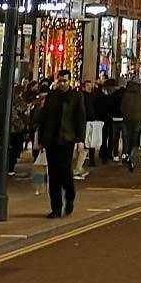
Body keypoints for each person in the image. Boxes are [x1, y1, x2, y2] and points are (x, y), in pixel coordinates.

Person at [37, 70, 86, 218]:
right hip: (51, 139)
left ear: (70, 81)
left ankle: (70, 195)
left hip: (67, 138)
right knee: (53, 174)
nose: (62, 83)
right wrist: (40, 140)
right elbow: (44, 118)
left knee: (65, 170)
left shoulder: (76, 96)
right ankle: (56, 207)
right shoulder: (52, 96)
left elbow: (80, 118)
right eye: (60, 81)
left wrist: (80, 140)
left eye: (65, 81)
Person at [120, 79, 141, 171]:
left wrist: (124, 115)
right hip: (138, 119)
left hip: (127, 119)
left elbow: (122, 106)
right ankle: (131, 157)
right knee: (135, 139)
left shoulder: (126, 92)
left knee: (127, 138)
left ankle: (126, 154)